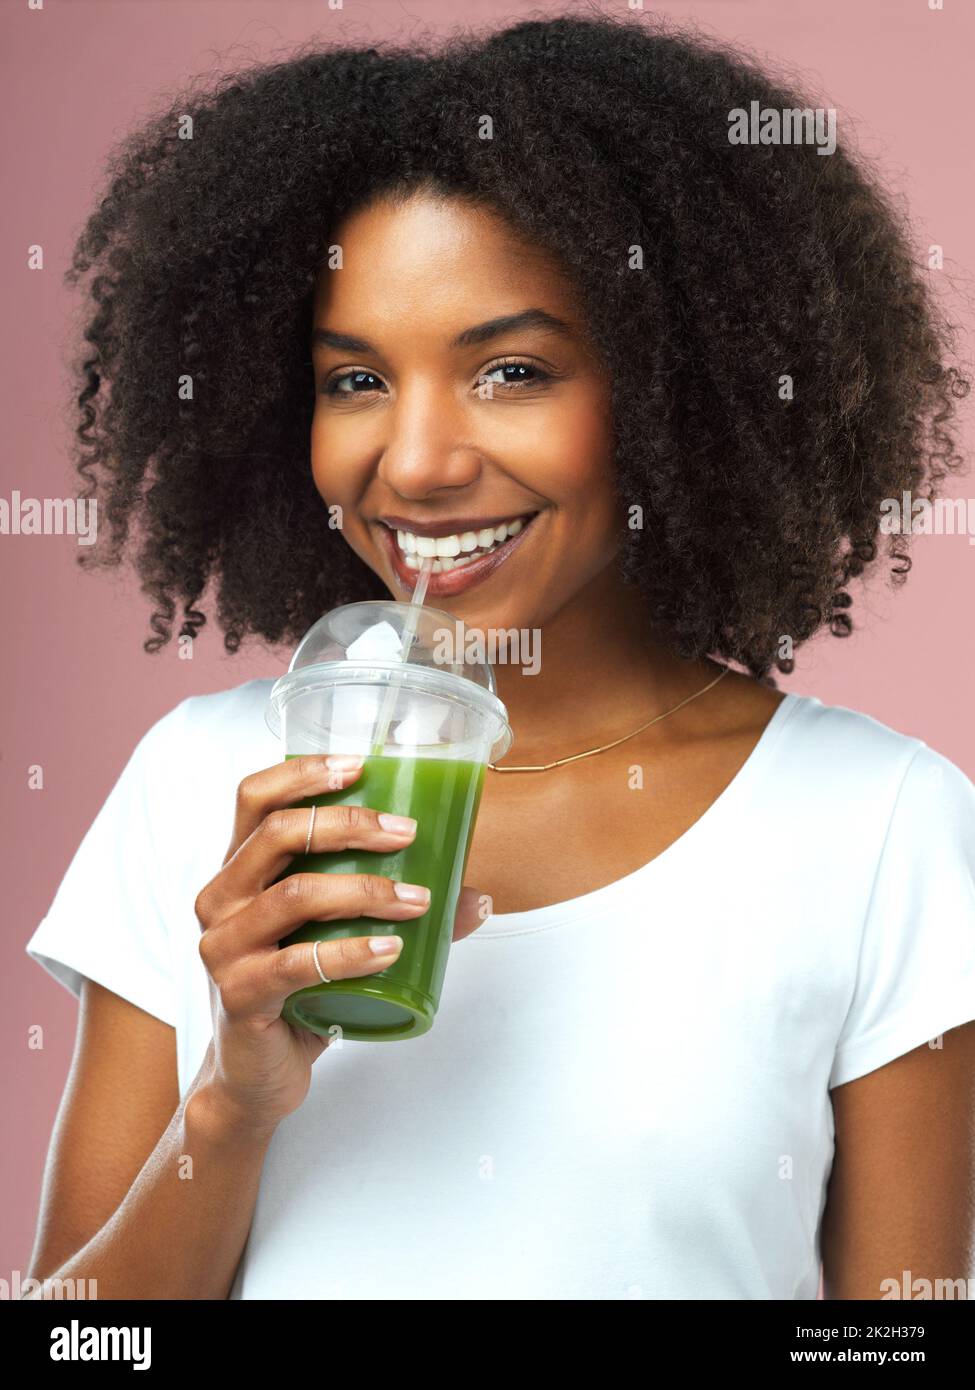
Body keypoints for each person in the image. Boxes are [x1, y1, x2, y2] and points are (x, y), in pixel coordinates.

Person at [23, 13, 975, 1300]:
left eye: (510, 369)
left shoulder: (881, 827)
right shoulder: (197, 785)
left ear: (667, 385)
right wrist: (230, 1111)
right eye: (354, 380)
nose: (413, 463)